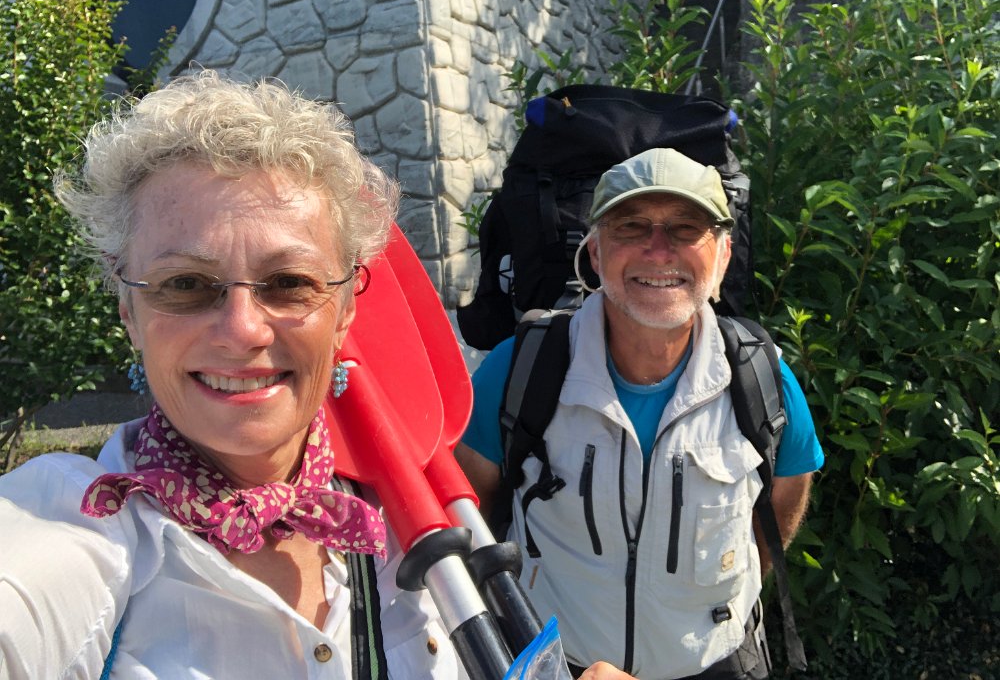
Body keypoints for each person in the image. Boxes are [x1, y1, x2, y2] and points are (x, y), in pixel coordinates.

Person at [0, 71, 634, 680]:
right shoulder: (69, 528)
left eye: (288, 282)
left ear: (346, 310)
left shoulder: (404, 521)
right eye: (185, 284)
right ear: (129, 313)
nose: (243, 329)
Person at [456, 147, 825, 679]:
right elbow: (470, 516)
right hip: (563, 666)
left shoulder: (763, 378)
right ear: (595, 253)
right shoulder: (519, 369)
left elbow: (782, 502)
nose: (658, 250)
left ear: (723, 255)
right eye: (630, 226)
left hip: (718, 664)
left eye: (686, 228)